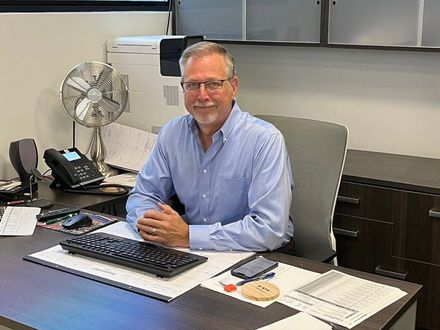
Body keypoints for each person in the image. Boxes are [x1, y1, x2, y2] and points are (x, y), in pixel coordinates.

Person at [126, 41, 293, 251]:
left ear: (233, 87)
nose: (202, 95)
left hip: (257, 254)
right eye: (192, 85)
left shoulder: (265, 140)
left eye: (213, 84)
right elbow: (144, 195)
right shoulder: (172, 134)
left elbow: (268, 231)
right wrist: (151, 225)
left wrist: (188, 236)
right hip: (192, 249)